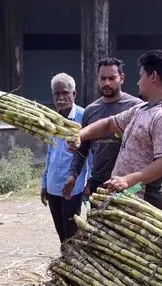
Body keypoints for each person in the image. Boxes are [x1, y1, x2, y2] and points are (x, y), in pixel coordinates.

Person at [69, 49, 162, 211]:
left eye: (141, 76)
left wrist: (128, 180)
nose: (138, 82)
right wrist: (80, 134)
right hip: (125, 195)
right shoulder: (141, 109)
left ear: (153, 77)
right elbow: (109, 124)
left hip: (144, 199)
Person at [63, 58, 142, 202]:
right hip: (99, 183)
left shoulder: (136, 107)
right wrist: (73, 175)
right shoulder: (90, 111)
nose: (106, 83)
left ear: (122, 78)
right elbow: (82, 149)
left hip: (127, 183)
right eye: (103, 78)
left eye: (112, 78)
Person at [40, 73, 89, 244]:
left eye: (65, 93)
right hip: (53, 185)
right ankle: (65, 262)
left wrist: (87, 182)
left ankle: (72, 264)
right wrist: (44, 183)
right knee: (61, 233)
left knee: (72, 232)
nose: (61, 98)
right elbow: (49, 153)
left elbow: (89, 152)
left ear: (73, 94)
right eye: (56, 94)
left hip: (73, 186)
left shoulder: (84, 117)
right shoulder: (52, 120)